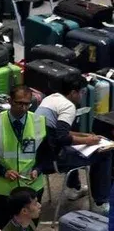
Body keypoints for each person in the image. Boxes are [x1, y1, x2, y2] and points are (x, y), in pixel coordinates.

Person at [35, 76, 112, 214]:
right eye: (81, 92)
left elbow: (59, 131)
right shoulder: (68, 106)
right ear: (72, 93)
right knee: (104, 154)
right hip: (53, 159)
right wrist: (88, 142)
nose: (83, 95)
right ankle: (99, 203)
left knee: (76, 145)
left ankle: (73, 188)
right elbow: (62, 137)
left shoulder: (51, 98)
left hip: (40, 155)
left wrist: (86, 136)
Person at [0, 85, 52, 229]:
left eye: (27, 104)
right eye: (19, 103)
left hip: (31, 188)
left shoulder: (39, 122)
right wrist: (3, 171)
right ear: (10, 101)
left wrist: (38, 169)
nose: (24, 108)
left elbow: (47, 155)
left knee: (29, 229)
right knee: (1, 230)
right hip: (3, 190)